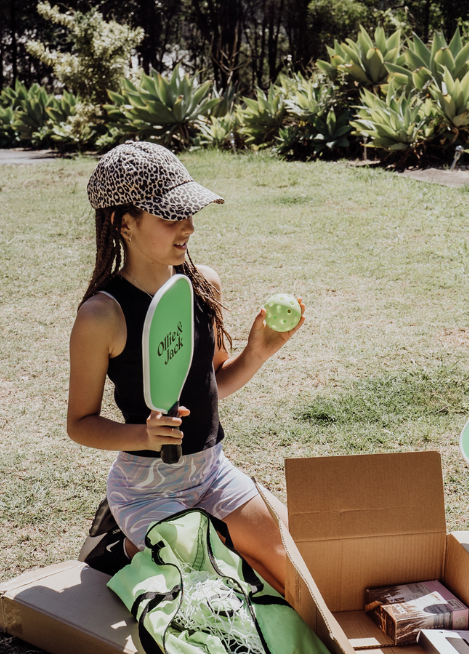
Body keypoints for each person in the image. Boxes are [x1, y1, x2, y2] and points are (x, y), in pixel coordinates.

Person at [67, 140, 300, 594]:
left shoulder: (202, 285)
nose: (189, 227)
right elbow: (80, 423)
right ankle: (120, 542)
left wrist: (257, 352)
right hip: (145, 488)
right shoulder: (102, 316)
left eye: (189, 213)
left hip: (211, 472)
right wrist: (143, 434)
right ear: (124, 223)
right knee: (212, 593)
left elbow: (213, 384)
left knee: (294, 569)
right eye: (171, 217)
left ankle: (154, 543)